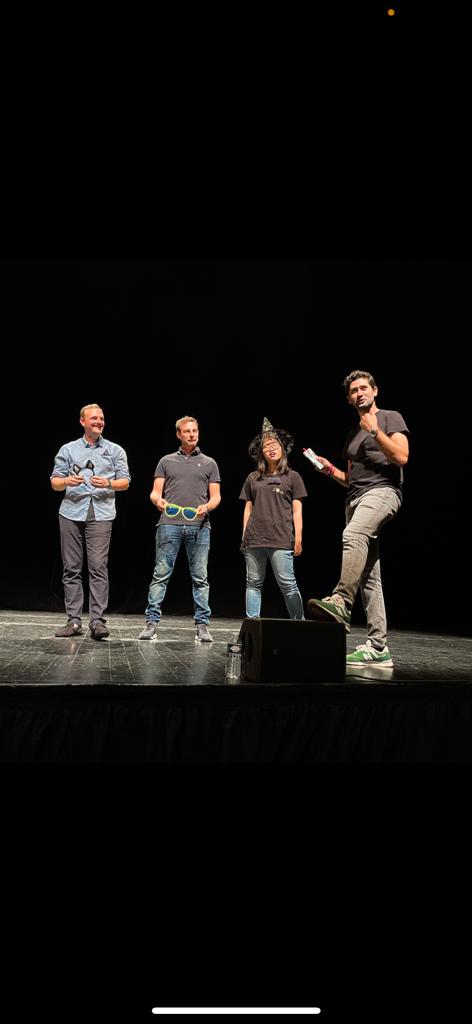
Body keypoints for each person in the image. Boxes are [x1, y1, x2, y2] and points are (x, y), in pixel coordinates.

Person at [306, 370, 409, 667]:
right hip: (355, 499)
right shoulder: (352, 435)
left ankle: (340, 601)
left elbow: (401, 457)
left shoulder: (390, 417)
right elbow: (350, 479)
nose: (359, 393)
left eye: (364, 388)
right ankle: (378, 647)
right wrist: (329, 471)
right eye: (353, 391)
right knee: (368, 576)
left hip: (383, 492)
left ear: (375, 390)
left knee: (352, 536)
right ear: (349, 399)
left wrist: (376, 431)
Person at [50, 404, 131, 640]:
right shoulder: (68, 449)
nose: (99, 421)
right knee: (71, 568)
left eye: (102, 418)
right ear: (82, 422)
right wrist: (67, 481)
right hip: (71, 513)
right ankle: (74, 621)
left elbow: (125, 482)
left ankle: (97, 621)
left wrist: (107, 483)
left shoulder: (115, 450)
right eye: (94, 418)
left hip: (101, 513)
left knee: (97, 567)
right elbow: (54, 483)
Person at [138, 416, 221, 641]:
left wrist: (208, 506)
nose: (192, 434)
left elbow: (216, 497)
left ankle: (202, 626)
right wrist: (158, 501)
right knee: (161, 575)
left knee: (200, 578)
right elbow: (155, 492)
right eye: (187, 431)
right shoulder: (166, 461)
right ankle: (151, 623)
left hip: (200, 527)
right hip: (169, 525)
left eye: (195, 430)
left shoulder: (209, 463)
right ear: (179, 434)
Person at [240, 417, 306, 620]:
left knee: (287, 583)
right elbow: (248, 508)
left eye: (274, 444)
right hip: (254, 538)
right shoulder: (253, 478)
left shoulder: (293, 477)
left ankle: (299, 623)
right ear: (261, 452)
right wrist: (244, 536)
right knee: (253, 583)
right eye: (266, 446)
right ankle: (252, 624)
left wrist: (298, 538)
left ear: (282, 449)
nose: (271, 449)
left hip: (281, 538)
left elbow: (297, 510)